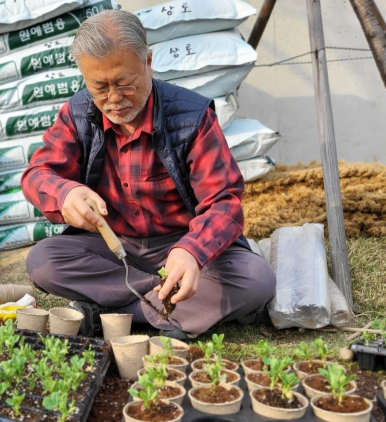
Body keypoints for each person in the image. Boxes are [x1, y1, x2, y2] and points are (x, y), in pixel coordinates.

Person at [20, 9, 276, 340]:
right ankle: (166, 308)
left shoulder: (191, 117)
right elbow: (37, 174)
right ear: (85, 78)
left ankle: (112, 312)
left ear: (148, 61)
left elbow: (224, 201)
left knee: (255, 279)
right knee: (44, 261)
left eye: (125, 83)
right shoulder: (78, 114)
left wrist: (193, 251)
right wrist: (64, 193)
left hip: (180, 243)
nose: (113, 99)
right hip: (113, 246)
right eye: (100, 86)